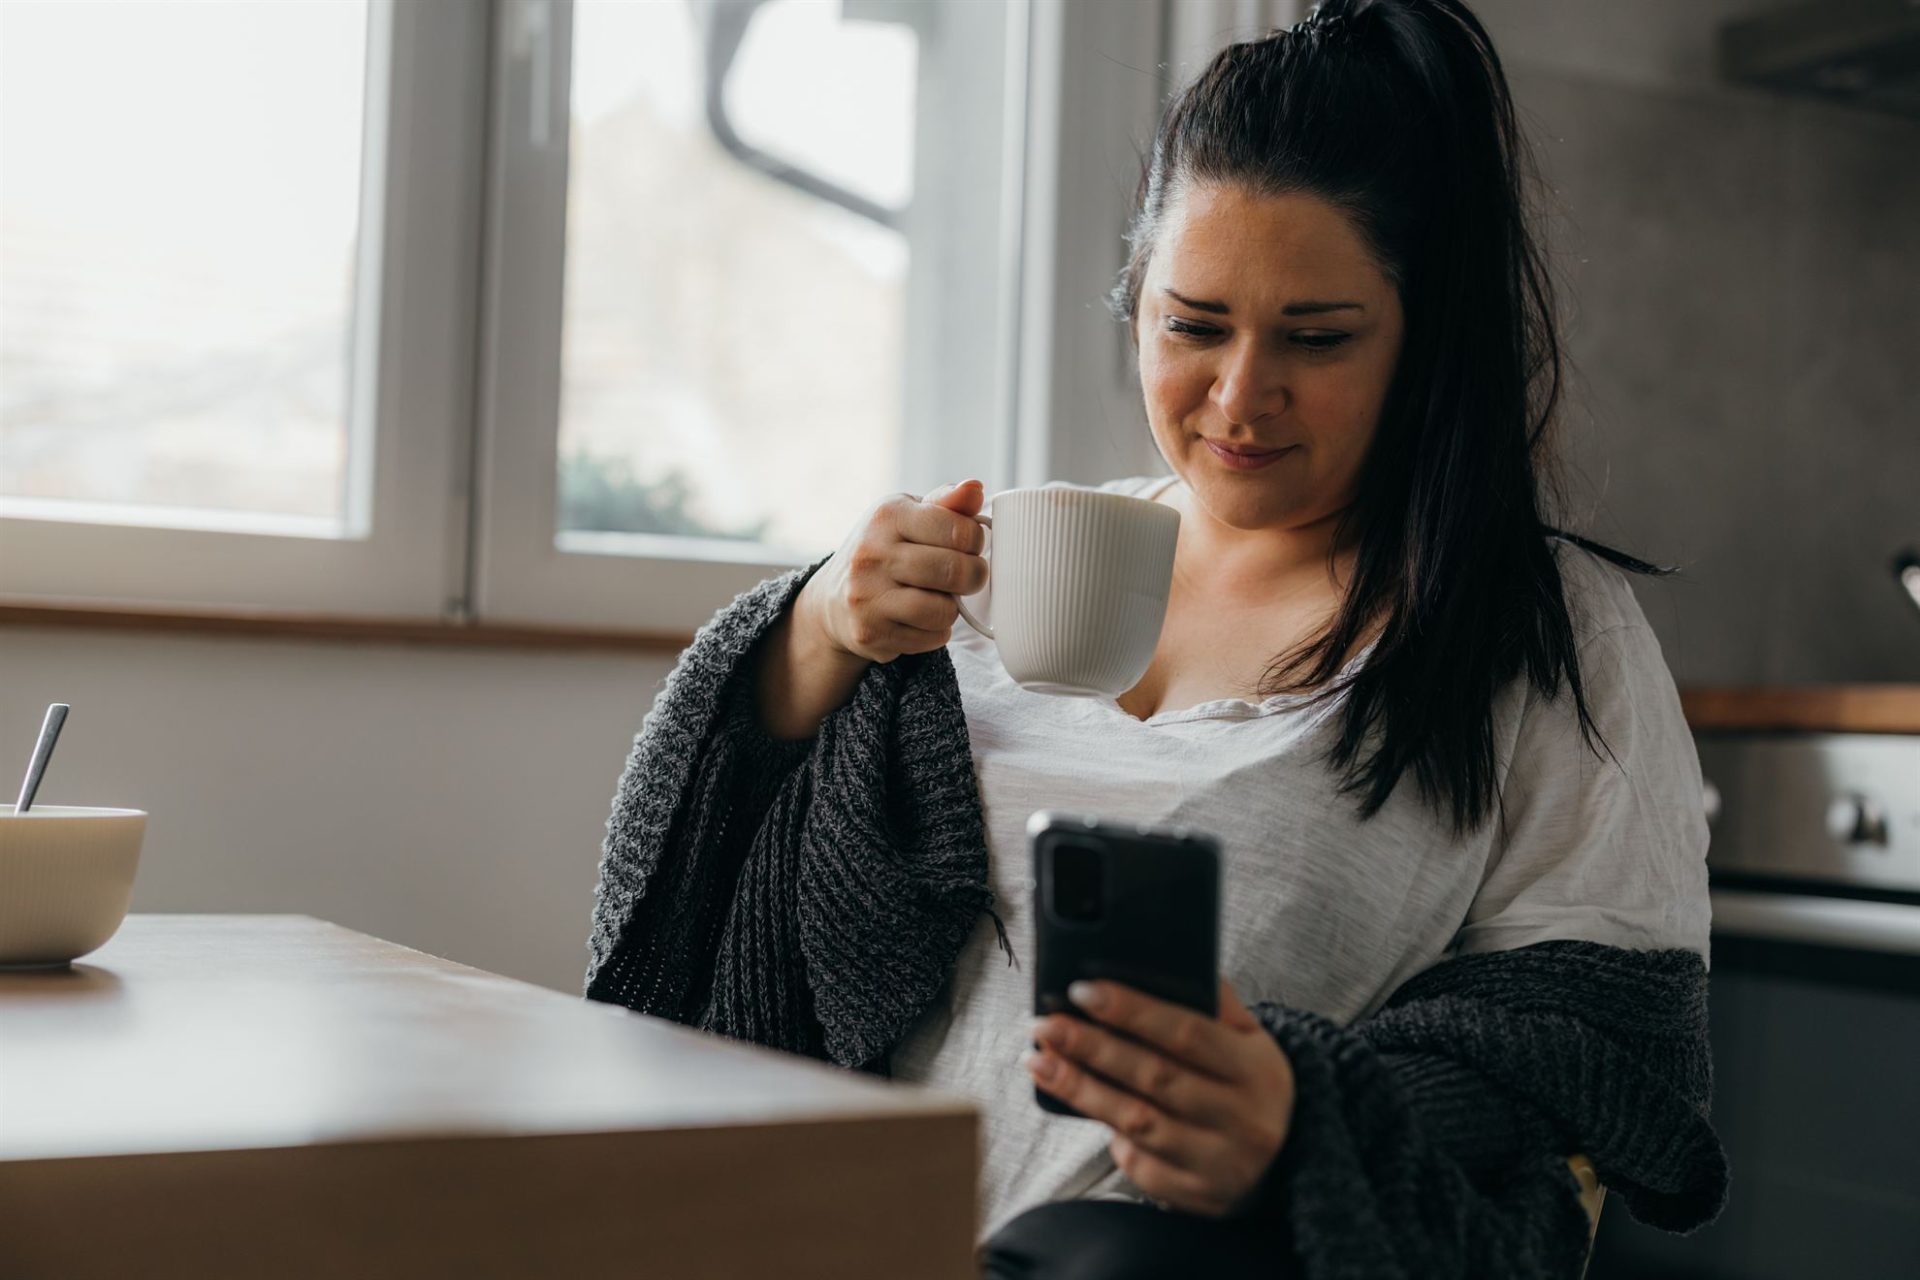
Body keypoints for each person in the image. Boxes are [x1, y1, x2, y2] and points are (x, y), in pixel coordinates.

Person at [582, 1, 1728, 1275]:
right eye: (1193, 325)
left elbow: (1584, 1072)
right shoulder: (1014, 557)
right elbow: (692, 924)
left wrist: (1304, 1121)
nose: (1240, 398)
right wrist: (817, 628)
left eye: (1318, 337)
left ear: (1425, 341)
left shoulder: (1540, 638)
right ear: (1133, 304)